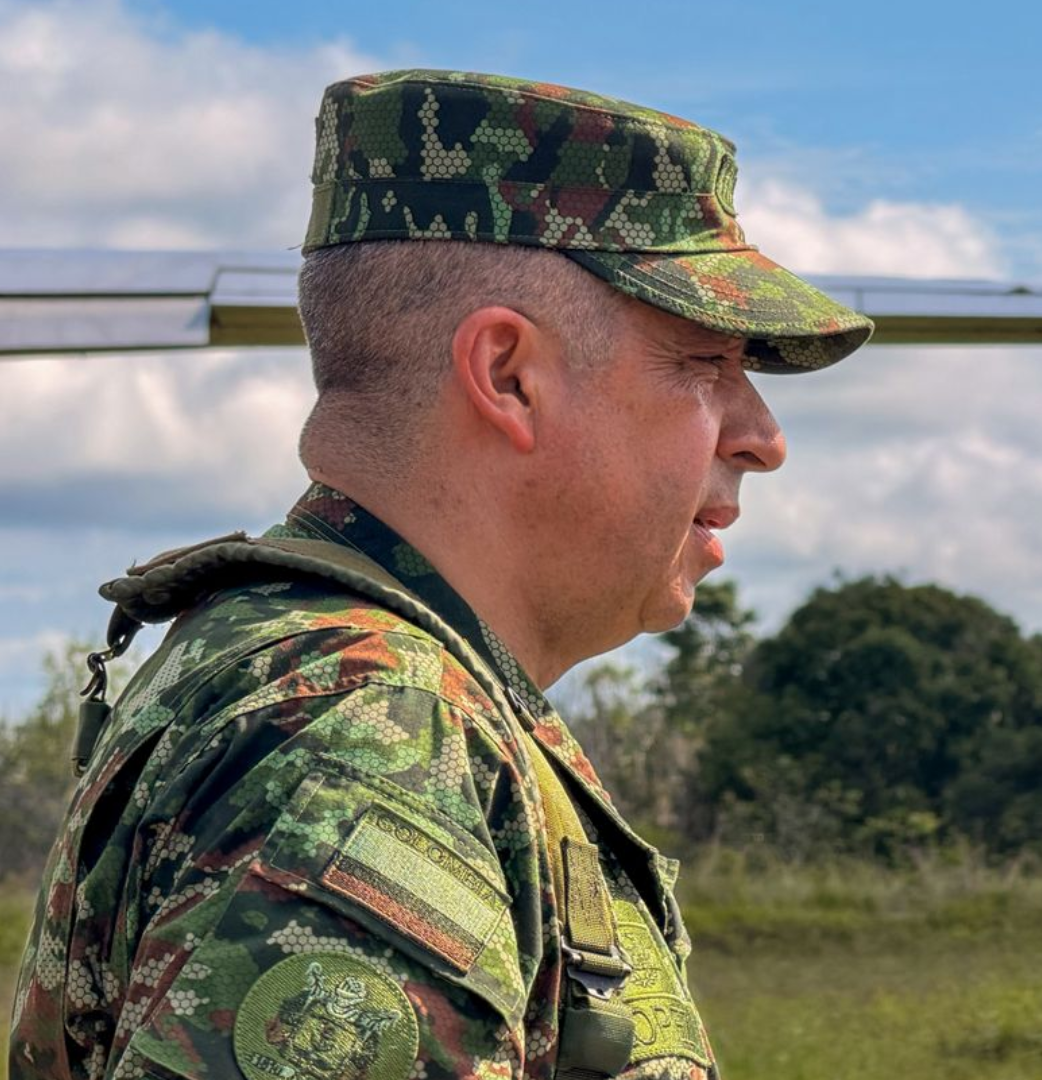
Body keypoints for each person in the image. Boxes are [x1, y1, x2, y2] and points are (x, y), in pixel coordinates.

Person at [7, 70, 871, 1080]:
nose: (762, 438)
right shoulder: (363, 735)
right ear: (508, 375)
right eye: (704, 367)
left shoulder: (315, 683)